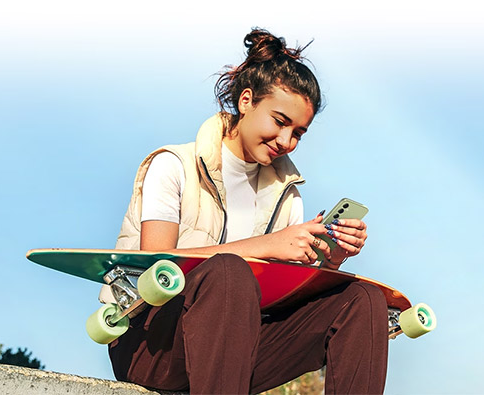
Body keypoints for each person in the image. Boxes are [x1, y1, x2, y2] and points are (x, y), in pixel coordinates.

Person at [100, 28, 388, 394]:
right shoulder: (173, 165)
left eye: (298, 132)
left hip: (239, 351)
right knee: (229, 272)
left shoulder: (287, 196)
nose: (286, 142)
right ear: (247, 101)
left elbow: (283, 298)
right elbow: (154, 266)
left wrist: (328, 262)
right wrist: (268, 245)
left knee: (361, 300)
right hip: (151, 344)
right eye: (280, 122)